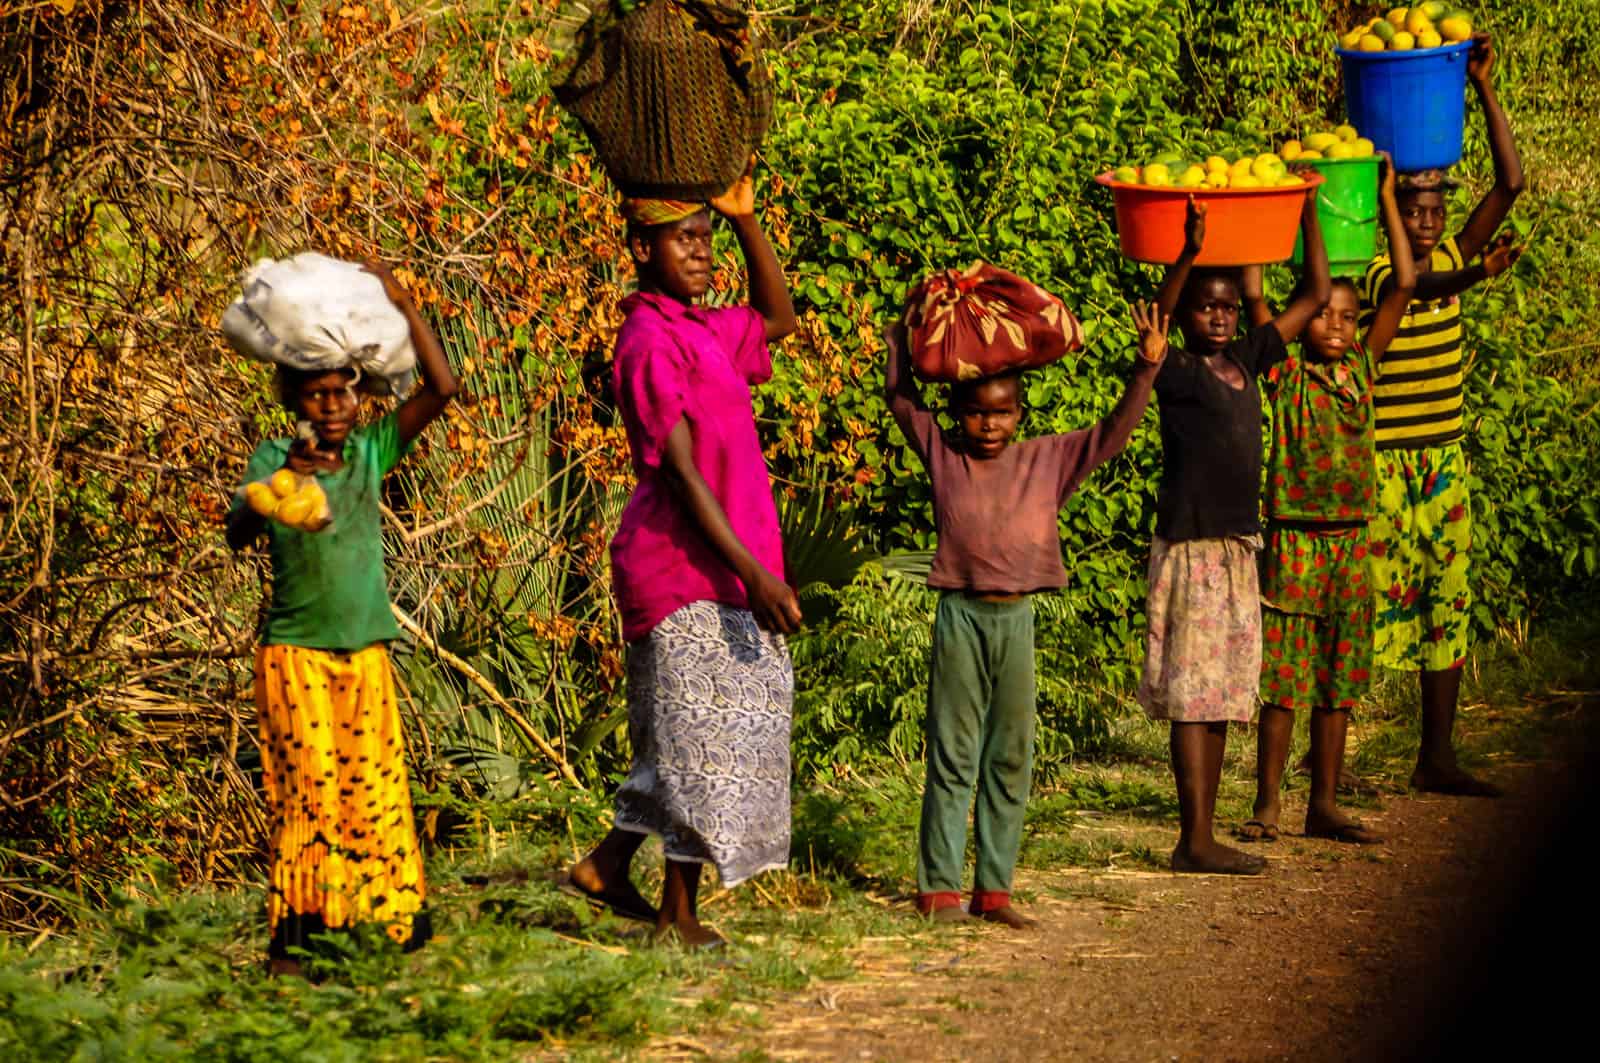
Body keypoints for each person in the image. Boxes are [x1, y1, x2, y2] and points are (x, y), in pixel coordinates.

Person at [565, 163, 800, 950]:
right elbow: (682, 472)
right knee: (698, 736)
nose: (700, 252)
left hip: (728, 562)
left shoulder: (704, 328)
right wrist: (755, 573)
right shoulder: (646, 341)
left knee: (697, 730)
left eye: (705, 238)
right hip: (679, 565)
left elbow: (778, 317)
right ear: (642, 248)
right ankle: (676, 912)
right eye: (683, 239)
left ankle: (606, 865)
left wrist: (744, 218)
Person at [887, 298, 1168, 928]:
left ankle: (994, 892)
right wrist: (901, 337)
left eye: (1002, 412)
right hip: (961, 617)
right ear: (956, 415)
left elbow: (1113, 433)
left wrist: (1146, 368)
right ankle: (938, 891)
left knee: (1011, 755)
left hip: (1016, 622)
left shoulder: (1048, 459)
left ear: (1019, 414)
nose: (989, 425)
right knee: (954, 753)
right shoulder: (945, 455)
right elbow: (902, 401)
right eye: (976, 412)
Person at [226, 260, 459, 977]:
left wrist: (405, 302)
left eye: (342, 392)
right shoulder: (273, 457)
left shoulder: (368, 452)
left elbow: (443, 389)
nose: (331, 405)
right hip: (294, 655)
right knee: (309, 795)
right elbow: (237, 532)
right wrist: (286, 478)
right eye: (316, 393)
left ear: (358, 397)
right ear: (293, 398)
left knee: (376, 790)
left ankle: (381, 928)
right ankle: (299, 942)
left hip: (365, 653)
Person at [1139, 193, 1330, 874]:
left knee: (1218, 691)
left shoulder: (1248, 359)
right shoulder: (1178, 372)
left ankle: (1203, 835)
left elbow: (1315, 293)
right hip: (1193, 548)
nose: (1220, 316)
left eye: (1226, 306)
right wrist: (1188, 251)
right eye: (1205, 307)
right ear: (1187, 316)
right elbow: (1158, 322)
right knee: (1194, 694)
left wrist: (1308, 208)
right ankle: (1193, 837)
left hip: (1236, 549)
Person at [1362, 33, 1523, 796]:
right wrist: (1473, 274)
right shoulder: (1377, 275)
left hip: (1443, 460)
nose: (1428, 225)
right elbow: (1414, 286)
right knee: (1362, 606)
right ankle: (1325, 756)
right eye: (1413, 211)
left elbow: (1512, 184)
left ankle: (1437, 756)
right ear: (1394, 214)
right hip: (1385, 463)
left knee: (1446, 604)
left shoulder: (1458, 256)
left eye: (1435, 212)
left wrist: (1482, 87)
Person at [1238, 153, 1416, 845]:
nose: (1336, 326)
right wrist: (1294, 204)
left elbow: (1404, 282)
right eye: (1324, 315)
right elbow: (1257, 293)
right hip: (1293, 540)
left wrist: (1389, 198)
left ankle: (1326, 804)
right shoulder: (1283, 373)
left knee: (1338, 685)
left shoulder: (1364, 369)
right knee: (1283, 684)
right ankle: (1268, 805)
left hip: (1350, 543)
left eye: (1348, 316)